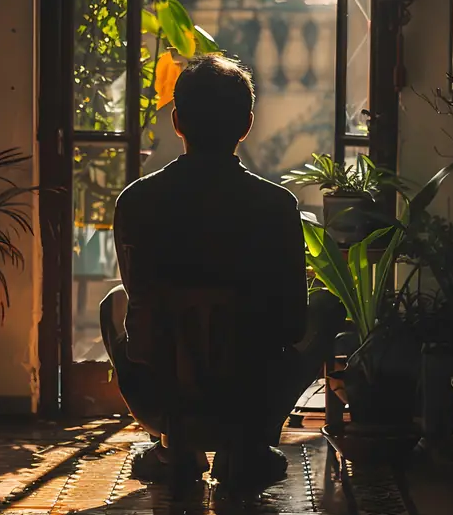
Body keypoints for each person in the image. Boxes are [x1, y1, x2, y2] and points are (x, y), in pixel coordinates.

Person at [100, 55, 310, 489]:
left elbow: (140, 305)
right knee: (325, 310)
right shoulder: (276, 206)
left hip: (161, 393)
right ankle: (249, 445)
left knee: (113, 303)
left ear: (177, 121)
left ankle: (175, 445)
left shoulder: (136, 201)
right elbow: (293, 324)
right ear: (246, 125)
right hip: (254, 392)